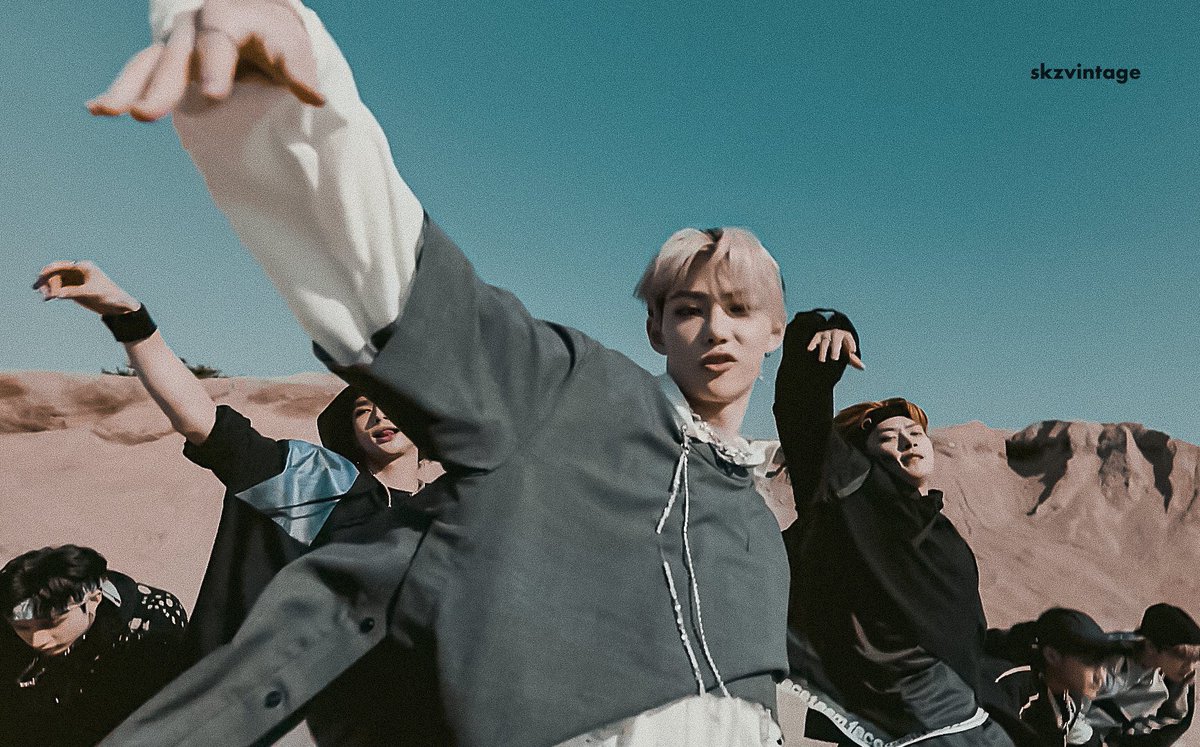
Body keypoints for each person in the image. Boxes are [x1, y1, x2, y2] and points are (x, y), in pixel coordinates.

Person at [84, 2, 852, 744]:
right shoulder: (578, 401)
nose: (716, 328)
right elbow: (425, 309)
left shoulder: (759, 532)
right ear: (655, 325)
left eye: (740, 308)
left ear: (774, 331)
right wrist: (292, 112)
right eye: (689, 307)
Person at [33, 260, 449, 743]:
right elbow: (202, 422)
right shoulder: (316, 482)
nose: (377, 416)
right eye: (362, 409)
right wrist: (128, 317)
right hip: (281, 715)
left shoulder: (455, 508)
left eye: (390, 404)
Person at [773, 310, 1013, 746]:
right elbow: (800, 414)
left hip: (962, 711)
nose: (909, 439)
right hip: (900, 716)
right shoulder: (851, 493)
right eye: (888, 436)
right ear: (861, 453)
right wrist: (821, 342)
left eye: (915, 431)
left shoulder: (944, 534)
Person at [0, 545, 187, 746]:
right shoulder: (8, 619)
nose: (37, 640)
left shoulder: (152, 626)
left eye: (51, 624)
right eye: (22, 628)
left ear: (93, 600)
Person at [986, 607, 1136, 746]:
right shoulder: (1005, 684)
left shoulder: (1068, 698)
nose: (1101, 677)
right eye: (1091, 664)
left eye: (1102, 666)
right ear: (1052, 656)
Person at [1086, 603, 1200, 746]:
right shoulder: (1109, 659)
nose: (1190, 668)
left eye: (1195, 660)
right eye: (1181, 658)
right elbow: (1069, 698)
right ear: (1151, 646)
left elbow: (1174, 723)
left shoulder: (1176, 676)